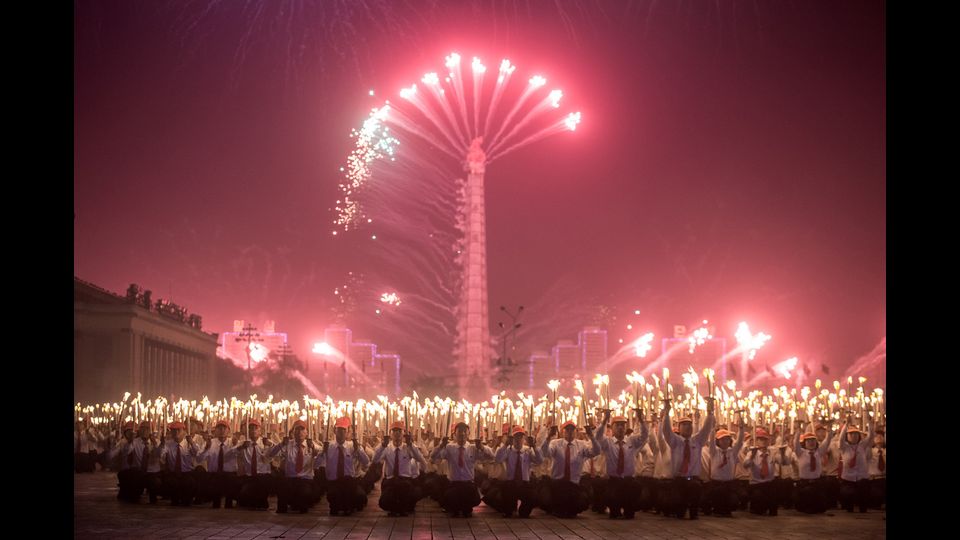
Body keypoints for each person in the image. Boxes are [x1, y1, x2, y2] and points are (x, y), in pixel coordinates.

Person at [662, 396, 717, 519]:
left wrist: (710, 413)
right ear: (679, 428)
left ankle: (693, 511)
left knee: (695, 489)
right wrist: (666, 414)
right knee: (679, 511)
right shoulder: (675, 441)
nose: (688, 427)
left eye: (689, 424)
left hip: (693, 479)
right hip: (678, 479)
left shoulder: (697, 441)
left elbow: (706, 428)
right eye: (684, 425)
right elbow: (666, 430)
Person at [539, 419, 601, 518]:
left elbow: (597, 451)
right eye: (567, 430)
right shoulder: (555, 443)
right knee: (552, 500)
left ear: (576, 432)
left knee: (580, 502)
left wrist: (592, 436)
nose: (570, 432)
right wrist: (549, 437)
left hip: (574, 485)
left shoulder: (582, 444)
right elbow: (544, 452)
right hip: (558, 483)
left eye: (572, 430)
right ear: (563, 432)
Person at [430, 421, 494, 518]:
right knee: (449, 497)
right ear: (455, 434)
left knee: (474, 499)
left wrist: (481, 447)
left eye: (465, 431)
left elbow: (491, 456)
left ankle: (465, 508)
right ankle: (456, 508)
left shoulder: (473, 448)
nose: (462, 434)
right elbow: (433, 456)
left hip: (468, 484)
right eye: (460, 431)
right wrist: (441, 445)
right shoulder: (449, 448)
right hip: (454, 483)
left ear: (468, 434)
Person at [595, 409, 649, 519]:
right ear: (612, 428)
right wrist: (605, 419)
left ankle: (629, 508)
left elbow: (644, 436)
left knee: (635, 491)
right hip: (614, 480)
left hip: (628, 480)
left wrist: (641, 420)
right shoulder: (608, 442)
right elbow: (598, 436)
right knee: (614, 508)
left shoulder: (631, 440)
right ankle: (615, 508)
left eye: (623, 425)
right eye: (618, 425)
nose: (620, 428)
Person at [318, 417, 370, 516]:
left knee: (359, 497)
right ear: (334, 431)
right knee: (335, 498)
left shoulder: (352, 446)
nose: (341, 433)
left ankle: (349, 505)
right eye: (339, 430)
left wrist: (358, 449)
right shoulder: (328, 446)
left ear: (347, 432)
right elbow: (316, 464)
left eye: (344, 430)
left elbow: (366, 462)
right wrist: (322, 452)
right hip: (334, 481)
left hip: (349, 482)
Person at [374, 421, 427, 516]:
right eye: (394, 431)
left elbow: (420, 459)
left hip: (405, 481)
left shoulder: (408, 447)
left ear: (403, 434)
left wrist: (411, 445)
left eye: (399, 431)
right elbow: (375, 460)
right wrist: (382, 445)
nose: (397, 434)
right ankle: (397, 508)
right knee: (385, 501)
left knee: (405, 490)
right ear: (390, 434)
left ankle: (402, 508)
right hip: (391, 480)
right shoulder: (386, 447)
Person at [267, 420, 319, 514]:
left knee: (304, 495)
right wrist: (281, 444)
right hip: (290, 479)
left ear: (307, 432)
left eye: (302, 430)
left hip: (305, 479)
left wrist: (313, 449)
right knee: (282, 492)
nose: (299, 432)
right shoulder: (288, 444)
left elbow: (321, 454)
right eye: (297, 430)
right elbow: (271, 454)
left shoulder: (311, 445)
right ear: (293, 432)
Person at [491, 426, 543, 518]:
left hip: (524, 483)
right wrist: (505, 444)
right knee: (508, 512)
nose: (518, 439)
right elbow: (497, 459)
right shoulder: (508, 450)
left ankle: (523, 510)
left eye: (520, 437)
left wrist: (534, 446)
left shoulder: (528, 450)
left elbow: (539, 461)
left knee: (532, 498)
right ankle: (510, 508)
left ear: (523, 438)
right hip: (511, 483)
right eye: (516, 437)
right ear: (513, 438)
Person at [793, 419, 835, 514]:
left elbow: (827, 441)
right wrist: (798, 431)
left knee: (819, 506)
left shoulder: (819, 452)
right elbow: (795, 444)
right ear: (805, 443)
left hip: (817, 483)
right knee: (807, 494)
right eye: (808, 441)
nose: (811, 443)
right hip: (804, 484)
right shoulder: (801, 453)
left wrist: (829, 430)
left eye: (813, 441)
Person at [705, 418, 746, 517]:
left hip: (729, 483)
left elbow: (740, 442)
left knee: (732, 500)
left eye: (727, 439)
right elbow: (710, 442)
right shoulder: (714, 452)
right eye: (722, 439)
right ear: (718, 441)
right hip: (716, 483)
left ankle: (727, 509)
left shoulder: (732, 452)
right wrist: (712, 429)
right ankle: (717, 509)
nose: (725, 441)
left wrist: (741, 429)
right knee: (716, 497)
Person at [838, 414, 876, 513]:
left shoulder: (862, 445)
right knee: (847, 495)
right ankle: (848, 507)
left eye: (855, 434)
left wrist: (869, 423)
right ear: (847, 436)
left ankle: (863, 508)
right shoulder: (844, 447)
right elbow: (841, 438)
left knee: (863, 494)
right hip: (848, 478)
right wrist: (846, 425)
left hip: (861, 477)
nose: (853, 436)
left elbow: (871, 435)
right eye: (851, 434)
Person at [199, 420, 240, 508]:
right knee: (215, 489)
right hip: (214, 474)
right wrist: (206, 448)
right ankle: (215, 502)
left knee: (231, 480)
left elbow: (239, 454)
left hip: (229, 474)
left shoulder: (233, 442)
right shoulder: (210, 442)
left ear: (228, 430)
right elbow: (199, 459)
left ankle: (229, 504)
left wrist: (236, 445)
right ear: (215, 431)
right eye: (219, 428)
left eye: (224, 428)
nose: (222, 430)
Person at [159, 421, 202, 506]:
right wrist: (161, 444)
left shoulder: (189, 444)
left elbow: (197, 454)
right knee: (171, 482)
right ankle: (174, 499)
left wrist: (192, 442)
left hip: (187, 473)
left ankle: (187, 499)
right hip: (173, 473)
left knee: (189, 482)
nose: (176, 432)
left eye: (179, 430)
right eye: (174, 430)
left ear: (184, 431)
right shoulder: (168, 444)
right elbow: (161, 455)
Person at [237, 419, 273, 510]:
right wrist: (240, 447)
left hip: (263, 476)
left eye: (255, 428)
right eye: (250, 428)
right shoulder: (243, 443)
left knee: (261, 485)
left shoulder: (265, 442)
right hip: (249, 476)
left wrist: (270, 445)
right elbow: (231, 453)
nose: (253, 430)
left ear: (260, 431)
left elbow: (277, 452)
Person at [743, 428, 781, 516]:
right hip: (756, 485)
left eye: (765, 439)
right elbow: (745, 465)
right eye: (760, 439)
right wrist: (752, 456)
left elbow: (784, 462)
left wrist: (782, 454)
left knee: (773, 510)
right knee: (759, 508)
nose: (763, 441)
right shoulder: (751, 453)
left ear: (768, 441)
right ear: (756, 441)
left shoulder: (772, 452)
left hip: (769, 484)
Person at [867, 426, 886, 510]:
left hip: (884, 479)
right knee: (876, 498)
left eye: (881, 436)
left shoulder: (885, 451)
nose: (879, 438)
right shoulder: (870, 451)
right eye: (876, 436)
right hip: (874, 480)